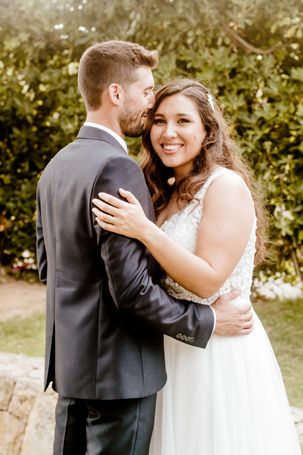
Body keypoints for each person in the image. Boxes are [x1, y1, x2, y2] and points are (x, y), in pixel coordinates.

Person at [36, 43, 253, 455]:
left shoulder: (58, 165)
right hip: (120, 373)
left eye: (182, 120)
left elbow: (51, 268)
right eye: (148, 92)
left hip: (75, 368)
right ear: (116, 94)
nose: (151, 105)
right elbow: (131, 289)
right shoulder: (118, 167)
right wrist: (206, 320)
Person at [92, 79, 301, 454]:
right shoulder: (163, 190)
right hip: (169, 348)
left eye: (183, 121)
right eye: (159, 121)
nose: (168, 133)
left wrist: (143, 229)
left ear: (208, 130)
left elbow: (207, 280)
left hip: (217, 355)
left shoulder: (225, 187)